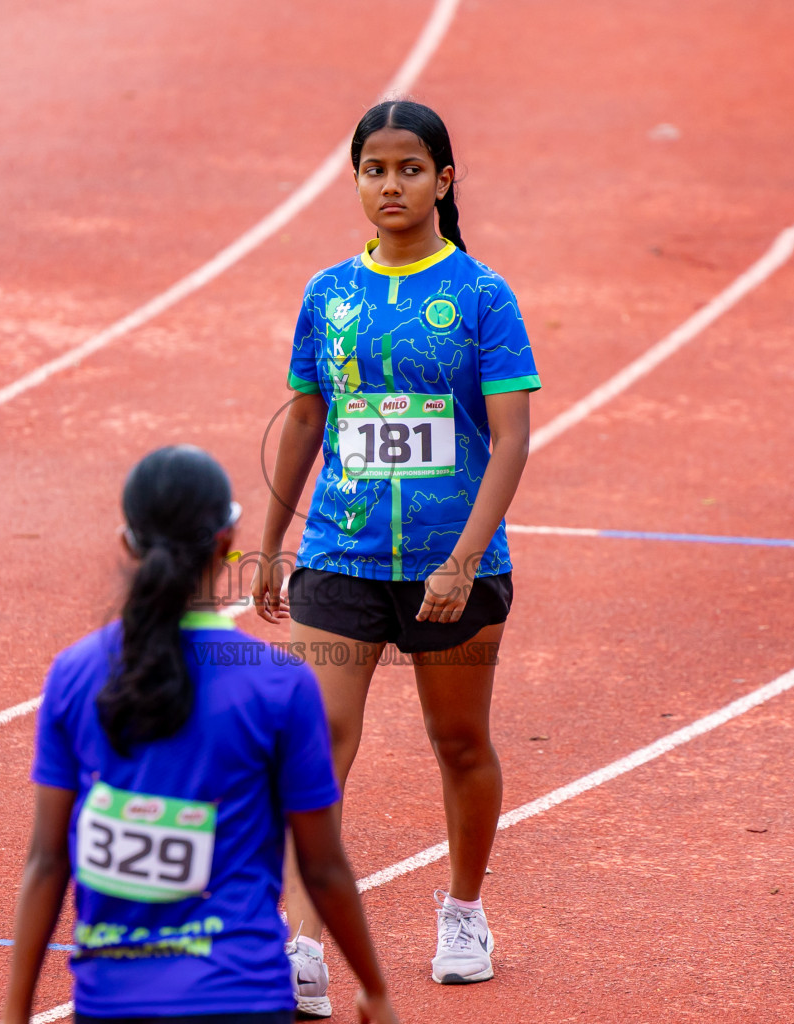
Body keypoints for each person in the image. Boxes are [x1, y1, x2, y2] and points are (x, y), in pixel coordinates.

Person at [253, 100, 540, 1016]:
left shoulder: (484, 297)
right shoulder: (327, 294)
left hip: (452, 568)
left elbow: (512, 438)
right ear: (356, 180)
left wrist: (462, 561)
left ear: (444, 181)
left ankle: (464, 912)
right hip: (341, 556)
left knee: (458, 743)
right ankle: (302, 942)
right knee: (317, 745)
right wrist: (271, 539)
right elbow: (305, 416)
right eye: (374, 169)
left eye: (409, 169)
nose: (390, 185)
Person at [2, 446, 398, 1024]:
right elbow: (322, 867)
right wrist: (375, 989)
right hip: (241, 997)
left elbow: (46, 860)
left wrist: (15, 1011)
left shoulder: (75, 673)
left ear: (127, 544)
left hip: (111, 1002)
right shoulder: (279, 684)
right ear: (226, 539)